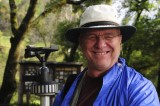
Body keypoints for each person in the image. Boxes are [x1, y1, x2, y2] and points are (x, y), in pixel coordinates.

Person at [53, 4, 160, 106]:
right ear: (81, 42)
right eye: (92, 37)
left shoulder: (139, 90)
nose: (100, 45)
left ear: (120, 40)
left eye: (109, 36)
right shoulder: (71, 85)